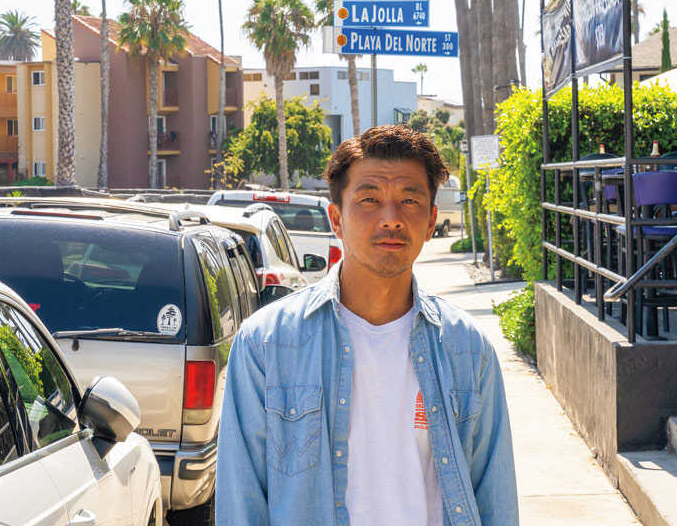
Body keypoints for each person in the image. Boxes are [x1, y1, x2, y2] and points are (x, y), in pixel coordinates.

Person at [216, 124, 518, 525]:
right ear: (336, 218)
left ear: (431, 220)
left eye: (409, 200)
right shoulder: (267, 345)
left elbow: (496, 500)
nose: (391, 218)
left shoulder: (467, 349)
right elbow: (241, 503)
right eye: (370, 199)